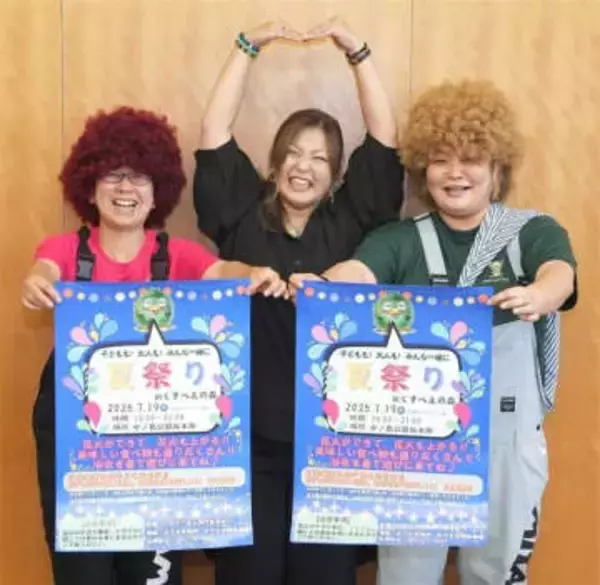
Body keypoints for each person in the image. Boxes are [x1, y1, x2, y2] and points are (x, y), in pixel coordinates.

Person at [317, 80, 578, 585]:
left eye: (471, 159)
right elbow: (359, 274)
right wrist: (323, 285)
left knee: (496, 569)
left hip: (507, 436)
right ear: (423, 171)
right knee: (406, 573)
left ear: (497, 169)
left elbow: (559, 273)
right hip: (416, 440)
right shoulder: (399, 240)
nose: (455, 173)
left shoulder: (529, 232)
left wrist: (540, 295)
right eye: (440, 160)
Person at [23, 106, 286, 585]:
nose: (126, 188)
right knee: (81, 567)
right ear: (90, 186)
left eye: (140, 177)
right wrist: (37, 283)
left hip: (156, 436)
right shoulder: (65, 250)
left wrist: (253, 273)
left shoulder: (177, 255)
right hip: (77, 436)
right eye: (113, 175)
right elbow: (44, 271)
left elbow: (222, 272)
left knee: (151, 569)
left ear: (157, 191)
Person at [193, 17, 404, 585]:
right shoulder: (242, 212)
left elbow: (384, 138)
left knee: (324, 576)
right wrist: (248, 45)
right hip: (247, 435)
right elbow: (214, 130)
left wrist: (357, 51)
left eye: (319, 158)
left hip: (333, 441)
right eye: (292, 152)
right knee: (249, 574)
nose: (302, 166)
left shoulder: (355, 220)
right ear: (275, 162)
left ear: (336, 174)